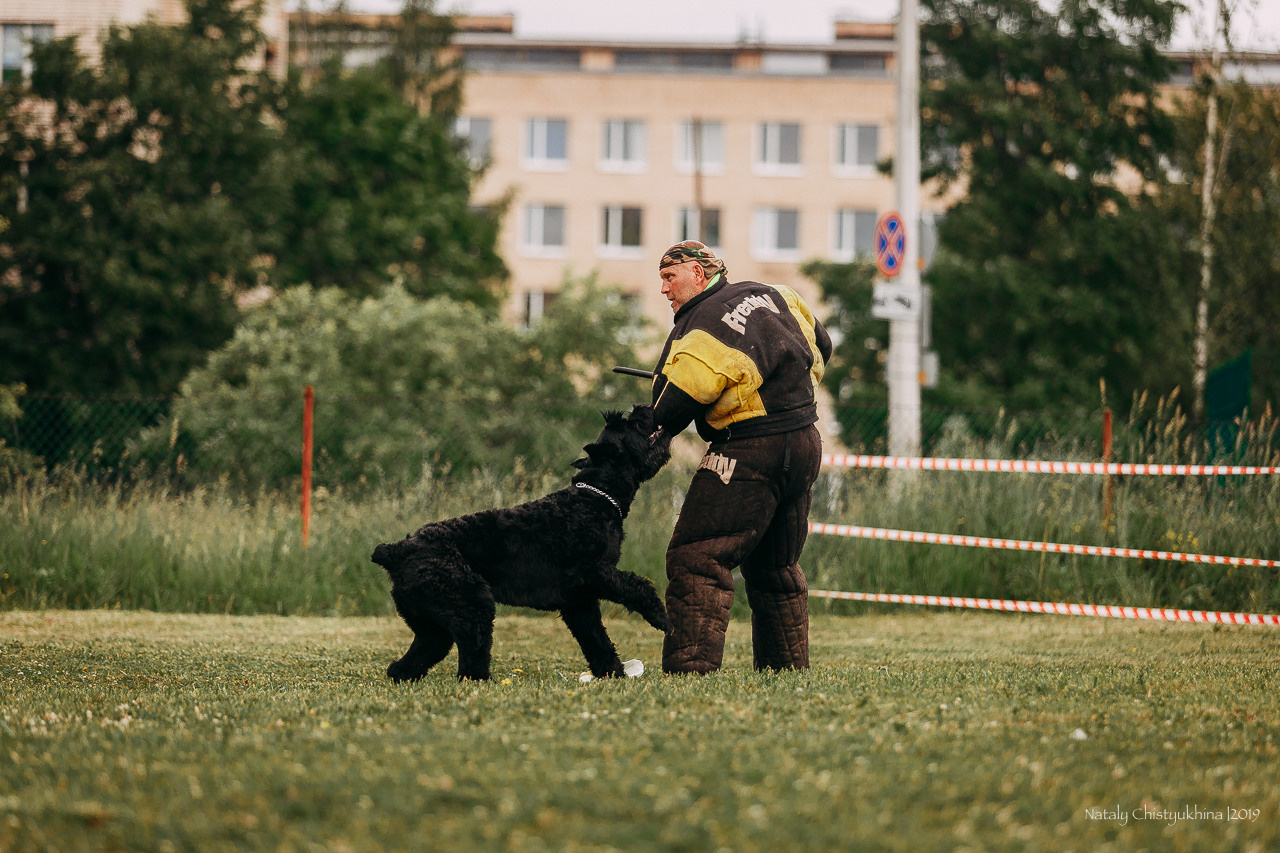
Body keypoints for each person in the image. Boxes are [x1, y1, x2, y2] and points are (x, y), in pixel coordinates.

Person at [649, 240, 832, 675]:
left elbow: (675, 403)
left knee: (698, 556)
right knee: (776, 565)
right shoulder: (777, 294)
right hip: (805, 441)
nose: (663, 289)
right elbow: (822, 346)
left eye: (669, 277)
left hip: (749, 448)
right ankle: (784, 669)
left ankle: (689, 672)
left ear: (697, 273)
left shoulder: (703, 326)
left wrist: (649, 436)